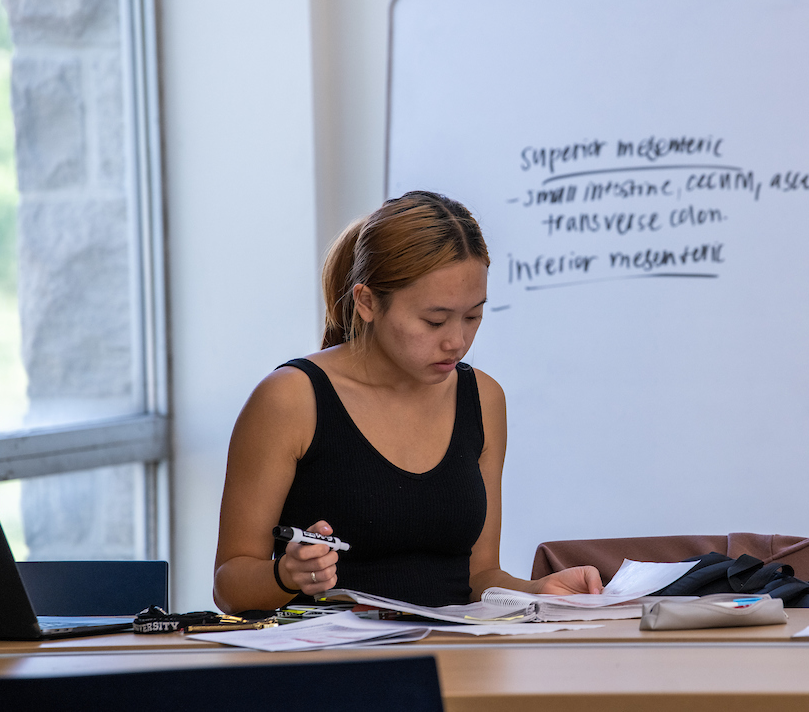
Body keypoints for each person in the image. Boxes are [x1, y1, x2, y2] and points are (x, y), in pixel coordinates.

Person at [212, 191, 602, 614]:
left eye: (473, 316)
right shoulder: (290, 399)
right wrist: (285, 575)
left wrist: (537, 589)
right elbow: (229, 586)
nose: (457, 341)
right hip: (333, 665)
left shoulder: (483, 398)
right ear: (367, 302)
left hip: (459, 659)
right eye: (434, 321)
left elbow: (479, 577)